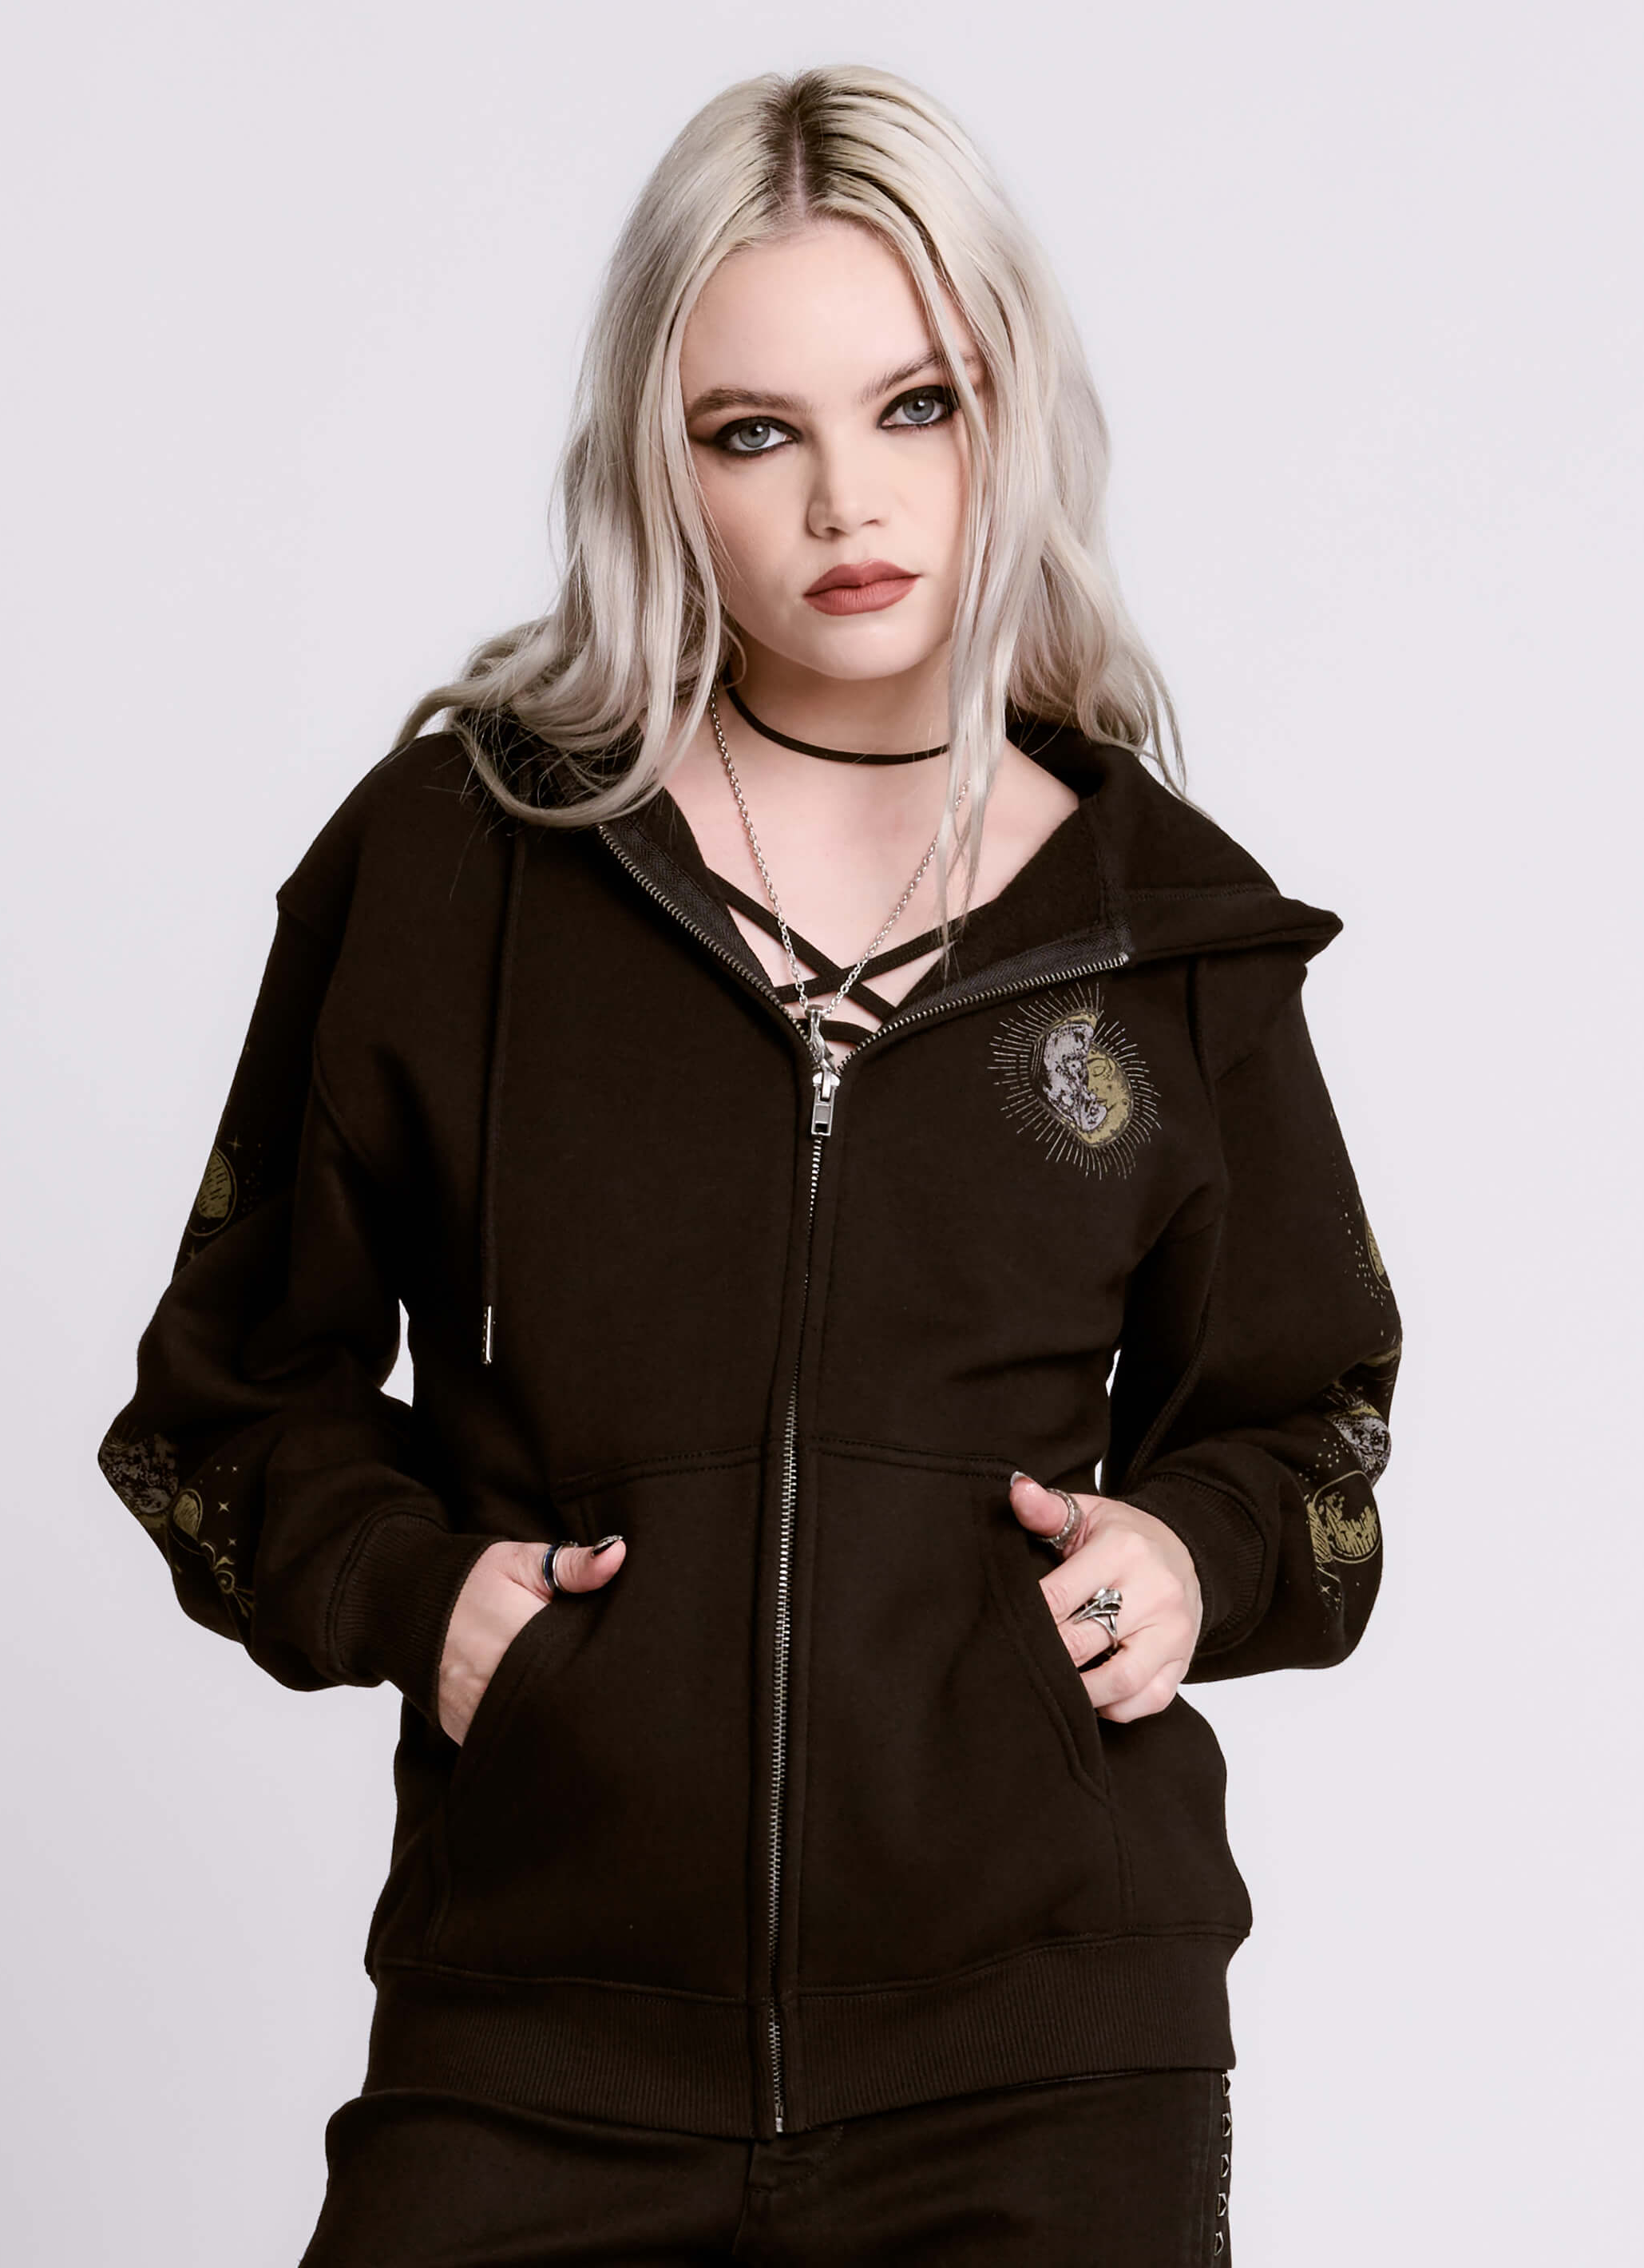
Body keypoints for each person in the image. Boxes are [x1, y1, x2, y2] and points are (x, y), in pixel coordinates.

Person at [97, 62, 1402, 2267]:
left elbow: (1317, 1437)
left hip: (1041, 2080)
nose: (844, 502)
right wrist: (422, 1599)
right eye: (752, 431)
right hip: (534, 2052)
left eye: (915, 406)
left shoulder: (1164, 930)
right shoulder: (456, 867)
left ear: (1012, 418)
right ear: (657, 461)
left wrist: (1193, 1558)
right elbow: (214, 1413)